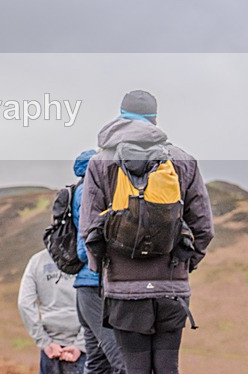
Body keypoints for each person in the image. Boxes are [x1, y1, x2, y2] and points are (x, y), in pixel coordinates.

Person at [80, 90, 214, 374]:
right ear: (154, 119)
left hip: (122, 290)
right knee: (168, 368)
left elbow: (89, 228)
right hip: (171, 288)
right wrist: (183, 264)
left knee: (134, 369)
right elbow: (204, 226)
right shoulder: (182, 160)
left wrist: (103, 269)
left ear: (121, 116)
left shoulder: (99, 162)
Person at [70, 150, 126, 374]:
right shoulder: (89, 192)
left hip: (85, 288)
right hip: (95, 286)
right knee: (120, 357)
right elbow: (85, 248)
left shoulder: (80, 190)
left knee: (97, 362)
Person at [18, 249, 86, 374]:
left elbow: (24, 303)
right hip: (84, 347)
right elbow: (97, 302)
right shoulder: (87, 258)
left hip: (51, 347)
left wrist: (44, 342)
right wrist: (80, 344)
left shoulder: (37, 261)